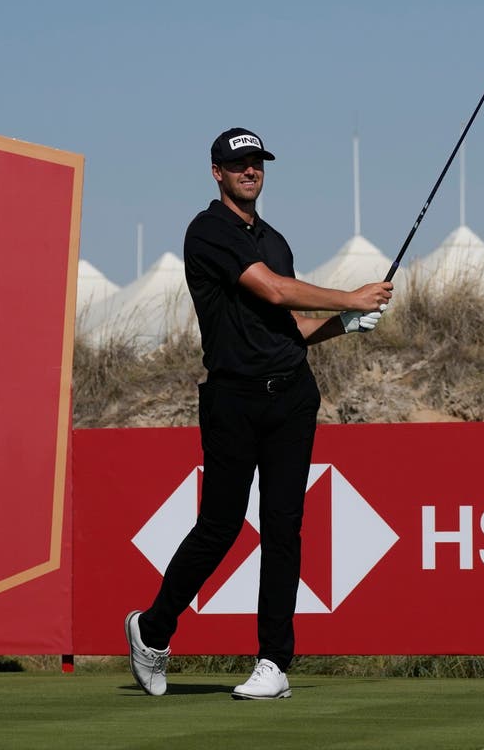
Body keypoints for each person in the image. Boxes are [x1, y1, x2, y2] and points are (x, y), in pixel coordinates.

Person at [125, 127, 393, 699]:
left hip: (291, 395)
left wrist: (343, 325)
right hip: (232, 400)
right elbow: (272, 291)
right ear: (217, 172)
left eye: (257, 163)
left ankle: (274, 662)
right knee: (220, 526)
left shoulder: (275, 239)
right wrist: (351, 298)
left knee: (283, 526)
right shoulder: (209, 232)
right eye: (238, 164)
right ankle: (152, 630)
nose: (250, 171)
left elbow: (288, 328)